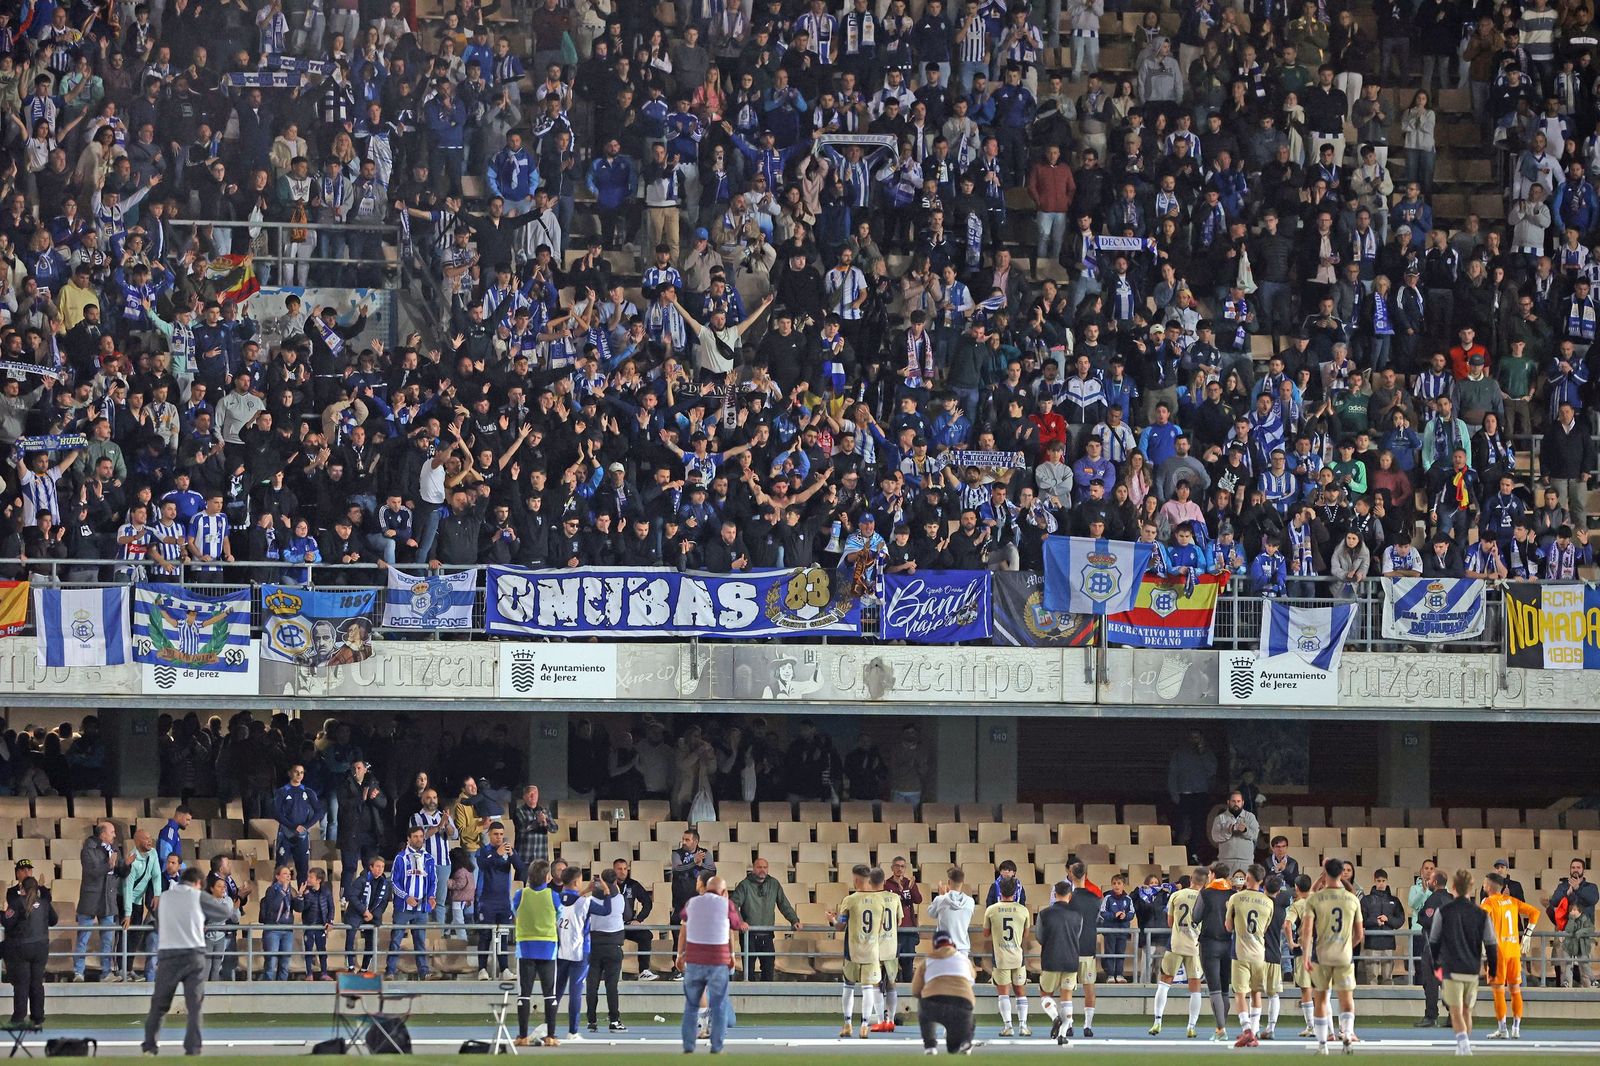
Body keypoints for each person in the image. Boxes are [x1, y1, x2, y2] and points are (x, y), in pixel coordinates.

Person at [141, 867, 230, 1056]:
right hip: (193, 954)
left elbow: (158, 924)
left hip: (167, 955)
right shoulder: (197, 896)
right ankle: (193, 1048)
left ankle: (149, 1044)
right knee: (194, 1005)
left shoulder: (164, 897)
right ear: (198, 883)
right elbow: (223, 913)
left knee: (159, 1004)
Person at [1430, 868, 1498, 1058]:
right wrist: (1493, 969)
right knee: (1467, 1010)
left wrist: (1436, 964)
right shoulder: (1481, 914)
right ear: (1471, 887)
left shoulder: (1444, 911)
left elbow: (1434, 940)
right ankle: (1464, 1044)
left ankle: (1463, 1043)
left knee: (1455, 1010)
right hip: (1472, 969)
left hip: (1452, 968)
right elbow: (1491, 944)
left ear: (1453, 888)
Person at [675, 875, 746, 1055]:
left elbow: (683, 917)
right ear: (723, 891)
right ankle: (717, 1046)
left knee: (691, 1005)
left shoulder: (692, 903)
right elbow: (736, 925)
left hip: (694, 960)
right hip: (717, 961)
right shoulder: (726, 904)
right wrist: (731, 954)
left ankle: (689, 1046)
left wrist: (680, 955)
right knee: (719, 1004)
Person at [1302, 857, 1364, 1055]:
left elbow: (1307, 930)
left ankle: (1323, 1046)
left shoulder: (1315, 898)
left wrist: (1305, 956)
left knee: (1321, 999)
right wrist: (1348, 945)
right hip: (1344, 955)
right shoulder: (1352, 899)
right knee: (1346, 998)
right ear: (1342, 873)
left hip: (1322, 955)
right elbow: (1359, 934)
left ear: (1325, 872)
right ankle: (1347, 1034)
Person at [1481, 871, 1541, 1040]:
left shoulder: (1489, 901)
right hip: (1514, 950)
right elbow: (1535, 912)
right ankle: (1516, 1028)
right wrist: (1527, 934)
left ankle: (1502, 1029)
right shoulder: (1513, 902)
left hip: (1498, 952)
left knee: (1498, 991)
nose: (1483, 886)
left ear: (1490, 886)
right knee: (1515, 990)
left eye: (1485, 883)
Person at [1224, 864, 1276, 1047]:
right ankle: (1253, 1033)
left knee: (1240, 993)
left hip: (1240, 952)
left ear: (1247, 878)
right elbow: (1266, 927)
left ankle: (1246, 1029)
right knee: (1256, 993)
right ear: (1262, 880)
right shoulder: (1269, 901)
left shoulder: (1236, 898)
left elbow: (1228, 927)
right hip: (1259, 953)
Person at [511, 859, 562, 1047]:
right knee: (550, 994)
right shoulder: (553, 896)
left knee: (524, 994)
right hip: (548, 948)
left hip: (525, 948)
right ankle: (551, 1036)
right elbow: (559, 915)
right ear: (547, 877)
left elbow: (514, 910)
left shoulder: (520, 894)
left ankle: (522, 1036)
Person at [832, 864, 884, 1039]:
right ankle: (864, 1025)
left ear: (855, 879)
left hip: (852, 950)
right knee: (868, 987)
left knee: (848, 986)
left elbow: (840, 926)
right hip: (872, 951)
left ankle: (847, 1023)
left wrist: (832, 920)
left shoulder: (850, 900)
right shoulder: (880, 900)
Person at [1150, 870, 1204, 1037]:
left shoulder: (1176, 895)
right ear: (1204, 882)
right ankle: (1191, 1026)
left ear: (1191, 880)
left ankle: (1157, 1022)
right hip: (1194, 946)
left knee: (1165, 983)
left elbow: (1170, 922)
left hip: (1175, 943)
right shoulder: (1205, 899)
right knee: (1195, 987)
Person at [730, 856, 801, 983]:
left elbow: (784, 904)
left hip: (767, 936)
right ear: (753, 869)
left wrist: (794, 920)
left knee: (768, 971)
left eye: (765, 867)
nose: (762, 870)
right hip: (748, 935)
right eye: (759, 867)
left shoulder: (774, 884)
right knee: (749, 973)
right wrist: (740, 921)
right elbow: (733, 905)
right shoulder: (744, 885)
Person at [3, 860, 56, 1028]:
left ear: (23, 888)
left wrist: (2, 913)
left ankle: (19, 1018)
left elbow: (7, 922)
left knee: (22, 983)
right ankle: (38, 1018)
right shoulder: (45, 903)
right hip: (41, 947)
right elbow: (54, 921)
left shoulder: (18, 902)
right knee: (36, 983)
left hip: (22, 948)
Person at [982, 875, 1033, 1037]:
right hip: (1017, 956)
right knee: (1020, 991)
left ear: (1000, 890)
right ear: (1015, 891)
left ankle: (1008, 1027)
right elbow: (1026, 935)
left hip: (1001, 956)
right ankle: (1023, 1026)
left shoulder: (991, 910)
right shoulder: (1023, 910)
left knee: (1003, 993)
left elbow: (985, 933)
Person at [1034, 879, 1083, 1045]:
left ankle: (1055, 1017)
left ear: (1055, 895)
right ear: (1070, 895)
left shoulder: (1044, 913)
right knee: (1067, 997)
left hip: (1051, 958)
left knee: (1044, 994)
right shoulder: (1077, 915)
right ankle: (1063, 1035)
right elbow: (1078, 935)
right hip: (1071, 959)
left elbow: (1039, 936)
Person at [386, 825, 438, 980]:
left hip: (422, 908)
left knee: (420, 940)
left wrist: (431, 897)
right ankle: (390, 970)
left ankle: (423, 971)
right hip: (403, 907)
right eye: (415, 836)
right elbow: (394, 882)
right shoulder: (400, 858)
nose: (419, 839)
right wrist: (405, 896)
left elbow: (433, 880)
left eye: (421, 836)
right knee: (396, 939)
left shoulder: (428, 858)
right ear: (408, 839)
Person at [912, 930, 976, 1054]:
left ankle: (930, 1046)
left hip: (933, 1004)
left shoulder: (926, 962)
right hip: (961, 1005)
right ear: (952, 944)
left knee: (923, 1005)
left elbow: (915, 990)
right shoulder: (964, 960)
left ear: (935, 945)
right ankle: (965, 1041)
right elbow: (971, 980)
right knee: (953, 1047)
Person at [474, 821, 524, 980]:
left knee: (503, 935)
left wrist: (513, 855)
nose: (499, 837)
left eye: (501, 834)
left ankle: (504, 970)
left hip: (503, 901)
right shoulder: (483, 851)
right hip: (487, 900)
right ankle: (482, 969)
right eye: (496, 834)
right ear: (489, 834)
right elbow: (483, 865)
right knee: (485, 936)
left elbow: (521, 869)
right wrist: (497, 853)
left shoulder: (508, 850)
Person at [74, 820, 121, 983]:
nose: (115, 835)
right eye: (112, 832)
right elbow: (92, 872)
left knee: (108, 939)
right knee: (83, 937)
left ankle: (106, 973)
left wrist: (126, 866)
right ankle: (78, 972)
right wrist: (109, 864)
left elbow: (119, 870)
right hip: (90, 898)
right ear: (102, 834)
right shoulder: (88, 849)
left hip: (108, 900)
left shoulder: (114, 849)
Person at [1195, 860, 1236, 1041]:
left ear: (1212, 874)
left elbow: (1195, 916)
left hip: (1210, 943)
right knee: (1225, 989)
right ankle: (1222, 1027)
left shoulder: (1206, 893)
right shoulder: (1234, 894)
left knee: (1215, 989)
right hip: (1229, 943)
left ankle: (1221, 1029)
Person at [585, 868, 630, 1033]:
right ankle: (614, 1020)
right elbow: (627, 914)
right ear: (615, 882)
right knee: (612, 986)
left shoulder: (590, 900)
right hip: (613, 947)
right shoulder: (619, 899)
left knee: (592, 985)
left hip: (594, 946)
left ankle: (591, 1020)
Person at [1062, 860, 1102, 1038]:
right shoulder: (1096, 898)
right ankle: (1088, 1025)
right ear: (1085, 874)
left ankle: (1068, 1023)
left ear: (1071, 874)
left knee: (1067, 989)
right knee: (1089, 988)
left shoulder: (1068, 898)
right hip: (1088, 947)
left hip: (1070, 947)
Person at [1547, 858, 1598, 988]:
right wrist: (1567, 892)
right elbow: (1553, 902)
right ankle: (1565, 995)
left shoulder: (1591, 887)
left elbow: (1592, 900)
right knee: (1565, 967)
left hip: (1584, 931)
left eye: (1578, 867)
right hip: (1565, 930)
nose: (1575, 869)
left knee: (1585, 968)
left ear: (1583, 870)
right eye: (1573, 867)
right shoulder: (1563, 886)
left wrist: (1577, 889)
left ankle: (1588, 997)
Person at [122, 829, 165, 983]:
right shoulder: (132, 860)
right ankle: (121, 970)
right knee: (124, 936)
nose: (149, 841)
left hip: (139, 902)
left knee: (135, 936)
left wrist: (157, 894)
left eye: (150, 838)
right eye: (146, 838)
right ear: (138, 841)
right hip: (126, 902)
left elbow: (156, 875)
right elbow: (127, 888)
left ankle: (129, 969)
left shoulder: (152, 853)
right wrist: (127, 913)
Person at [1167, 731, 1217, 858]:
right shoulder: (1179, 752)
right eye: (1193, 737)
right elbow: (1173, 774)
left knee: (1198, 827)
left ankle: (1194, 854)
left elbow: (1212, 770)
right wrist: (1174, 793)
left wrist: (1203, 752)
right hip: (1184, 795)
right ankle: (1179, 854)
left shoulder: (1206, 752)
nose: (1195, 740)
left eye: (1198, 738)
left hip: (1200, 795)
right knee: (1183, 826)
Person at [273, 764, 325, 884]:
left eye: (301, 772)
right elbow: (276, 813)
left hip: (302, 836)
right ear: (290, 773)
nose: (299, 775)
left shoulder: (308, 792)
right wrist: (292, 826)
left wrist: (306, 826)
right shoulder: (282, 791)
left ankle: (302, 898)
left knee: (303, 869)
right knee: (281, 867)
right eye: (296, 772)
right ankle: (277, 896)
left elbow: (319, 811)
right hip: (286, 834)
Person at [343, 855, 393, 973]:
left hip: (372, 915)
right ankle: (350, 966)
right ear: (371, 867)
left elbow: (384, 902)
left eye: (382, 867)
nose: (380, 869)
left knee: (370, 942)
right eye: (377, 866)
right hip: (355, 913)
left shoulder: (385, 883)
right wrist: (364, 911)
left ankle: (364, 968)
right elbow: (353, 897)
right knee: (350, 938)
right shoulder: (360, 880)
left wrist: (373, 914)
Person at [1360, 869, 1407, 985]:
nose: (1381, 883)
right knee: (1371, 978)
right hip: (1372, 942)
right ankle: (1371, 1000)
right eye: (1378, 881)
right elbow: (1360, 920)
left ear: (1387, 881)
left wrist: (1388, 919)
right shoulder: (1366, 900)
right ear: (1374, 881)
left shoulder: (1394, 900)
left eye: (1383, 881)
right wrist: (1375, 921)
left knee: (1388, 978)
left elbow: (1400, 920)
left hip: (1388, 942)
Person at [927, 867, 975, 955]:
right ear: (962, 882)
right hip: (962, 948)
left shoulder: (940, 899)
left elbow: (931, 914)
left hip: (944, 947)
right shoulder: (970, 901)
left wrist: (942, 895)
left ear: (949, 882)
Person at [1211, 791, 1260, 876]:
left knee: (1244, 887)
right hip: (1226, 861)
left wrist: (1245, 830)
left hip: (1245, 861)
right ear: (1228, 802)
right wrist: (1228, 831)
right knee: (1226, 886)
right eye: (1233, 801)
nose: (1236, 804)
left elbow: (1255, 835)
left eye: (1238, 801)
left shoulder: (1250, 817)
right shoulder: (1220, 818)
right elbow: (1215, 837)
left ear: (1242, 802)